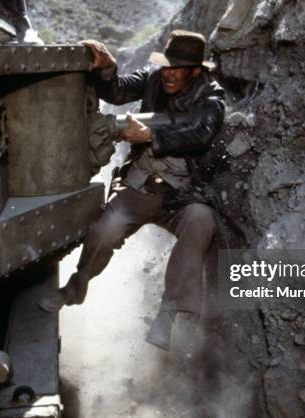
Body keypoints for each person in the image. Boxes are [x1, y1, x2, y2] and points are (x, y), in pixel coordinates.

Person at [39, 30, 225, 351]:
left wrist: (150, 137)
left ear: (196, 70)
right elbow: (118, 91)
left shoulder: (211, 97)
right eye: (166, 65)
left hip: (180, 196)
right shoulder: (155, 78)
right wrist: (108, 67)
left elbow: (200, 133)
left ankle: (168, 314)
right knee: (105, 229)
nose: (168, 73)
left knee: (201, 220)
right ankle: (75, 288)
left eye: (177, 68)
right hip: (139, 186)